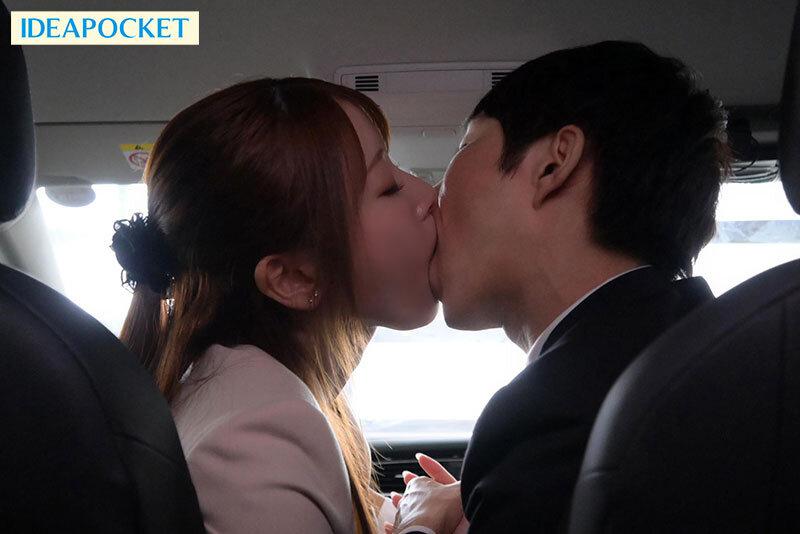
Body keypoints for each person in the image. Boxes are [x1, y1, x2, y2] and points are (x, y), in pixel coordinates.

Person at [391, 41, 730, 533]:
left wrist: (417, 524)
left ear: (555, 164)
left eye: (464, 148)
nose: (431, 197)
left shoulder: (549, 417)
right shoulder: (702, 347)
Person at [111, 77, 439, 533]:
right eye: (388, 187)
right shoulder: (260, 439)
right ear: (292, 279)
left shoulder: (244, 390)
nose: (427, 195)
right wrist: (423, 525)